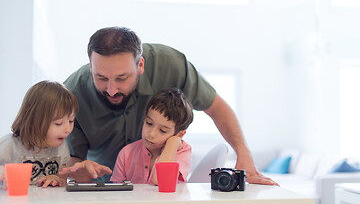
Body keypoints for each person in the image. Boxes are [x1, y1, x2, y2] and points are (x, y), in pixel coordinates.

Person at [60, 26, 277, 185]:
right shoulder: (72, 93)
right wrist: (76, 171)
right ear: (91, 67)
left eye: (122, 78)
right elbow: (75, 161)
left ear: (141, 65)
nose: (111, 89)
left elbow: (216, 107)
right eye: (101, 78)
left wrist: (244, 154)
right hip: (106, 187)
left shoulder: (172, 65)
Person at [0, 80, 78, 188]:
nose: (68, 129)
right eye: (58, 123)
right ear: (33, 121)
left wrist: (57, 179)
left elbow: (63, 179)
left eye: (71, 121)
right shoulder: (10, 144)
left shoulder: (61, 147)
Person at [111, 89, 193, 184]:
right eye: (149, 123)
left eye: (163, 130)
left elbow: (161, 181)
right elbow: (117, 195)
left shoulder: (182, 152)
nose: (151, 134)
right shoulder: (126, 153)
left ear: (180, 134)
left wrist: (173, 142)